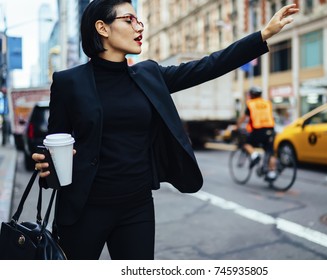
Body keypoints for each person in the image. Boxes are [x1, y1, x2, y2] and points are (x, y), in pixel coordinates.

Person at [32, 0, 298, 260]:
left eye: (139, 20)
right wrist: (46, 166)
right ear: (102, 28)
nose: (139, 27)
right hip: (85, 209)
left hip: (136, 207)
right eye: (129, 20)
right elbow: (54, 143)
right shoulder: (69, 82)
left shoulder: (149, 74)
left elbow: (209, 65)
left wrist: (262, 35)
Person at [236, 86, 277, 180]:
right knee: (270, 152)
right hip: (271, 129)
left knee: (246, 144)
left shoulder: (251, 104)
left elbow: (243, 118)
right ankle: (272, 173)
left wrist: (237, 126)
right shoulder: (267, 103)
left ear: (251, 95)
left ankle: (255, 156)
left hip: (259, 130)